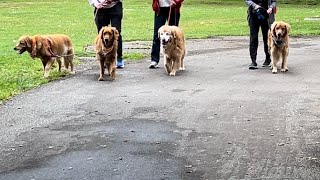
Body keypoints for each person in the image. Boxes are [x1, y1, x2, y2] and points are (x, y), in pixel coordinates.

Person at [88, 0, 124, 68]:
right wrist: (95, 3)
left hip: (115, 6)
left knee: (116, 33)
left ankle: (118, 57)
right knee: (102, 34)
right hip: (100, 8)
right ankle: (103, 57)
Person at [149, 0, 184, 69]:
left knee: (174, 35)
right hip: (160, 8)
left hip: (173, 8)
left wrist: (176, 1)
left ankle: (176, 58)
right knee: (158, 34)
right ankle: (154, 60)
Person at [245, 0, 277, 70]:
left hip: (266, 16)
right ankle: (253, 61)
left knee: (267, 38)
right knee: (253, 38)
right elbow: (247, 0)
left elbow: (274, 1)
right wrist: (254, 5)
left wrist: (271, 7)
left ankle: (268, 59)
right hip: (253, 15)